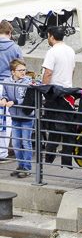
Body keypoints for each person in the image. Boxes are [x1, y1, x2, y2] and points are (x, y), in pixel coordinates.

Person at [0, 59, 34, 178]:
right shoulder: (6, 82)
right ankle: (20, 165)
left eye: (24, 70)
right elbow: (4, 94)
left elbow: (27, 99)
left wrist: (14, 102)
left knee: (26, 142)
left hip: (27, 117)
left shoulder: (28, 83)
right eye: (20, 70)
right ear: (13, 72)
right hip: (15, 116)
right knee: (16, 143)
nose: (23, 72)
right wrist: (3, 99)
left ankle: (27, 167)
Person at [0, 20, 23, 162]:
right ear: (10, 33)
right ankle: (2, 153)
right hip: (8, 85)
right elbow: (21, 69)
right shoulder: (15, 48)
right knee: (6, 120)